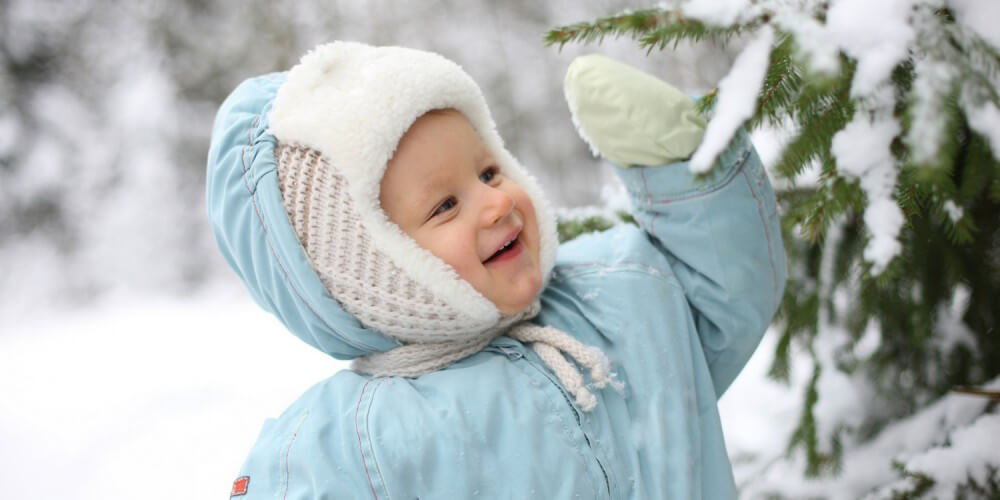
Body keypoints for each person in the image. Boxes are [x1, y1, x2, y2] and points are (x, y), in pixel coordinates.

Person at [206, 41, 785, 499]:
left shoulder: (618, 291)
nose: (498, 203)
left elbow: (724, 294)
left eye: (488, 172)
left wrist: (680, 168)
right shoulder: (356, 444)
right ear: (370, 278)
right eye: (445, 206)